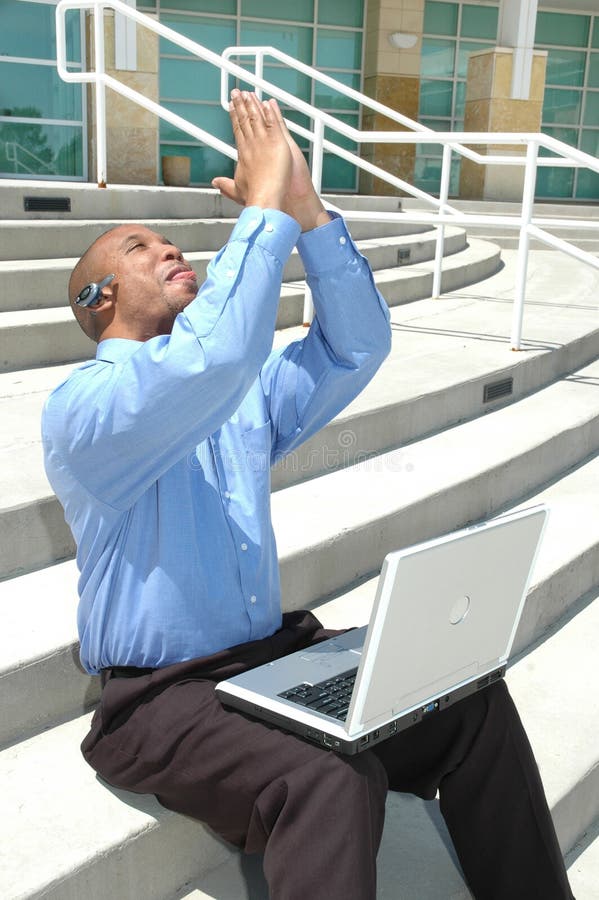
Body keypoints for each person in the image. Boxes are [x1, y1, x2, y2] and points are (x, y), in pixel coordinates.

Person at [42, 90, 575, 900]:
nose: (171, 249)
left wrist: (309, 214)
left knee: (472, 707)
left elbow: (355, 344)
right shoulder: (86, 410)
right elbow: (214, 358)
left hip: (263, 663)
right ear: (98, 299)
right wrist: (263, 209)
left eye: (170, 240)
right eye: (139, 245)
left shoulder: (233, 394)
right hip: (161, 700)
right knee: (327, 780)